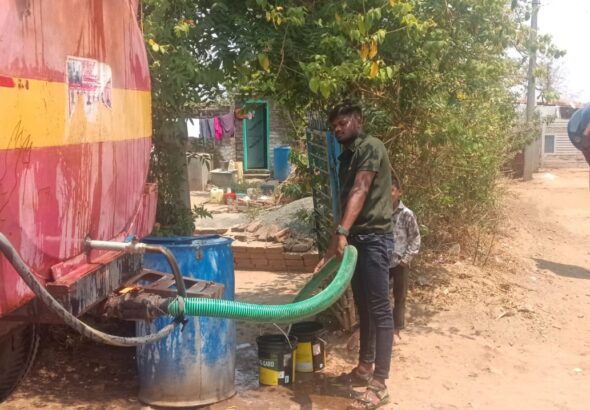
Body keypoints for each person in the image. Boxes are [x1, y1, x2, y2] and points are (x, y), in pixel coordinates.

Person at [315, 101, 394, 409]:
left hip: (374, 238)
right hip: (357, 239)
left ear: (359, 121)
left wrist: (342, 232)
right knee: (364, 308)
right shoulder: (347, 156)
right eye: (334, 125)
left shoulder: (371, 146)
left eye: (343, 122)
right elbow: (348, 199)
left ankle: (380, 384)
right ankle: (364, 369)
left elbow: (361, 189)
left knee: (380, 309)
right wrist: (334, 243)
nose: (337, 128)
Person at [389, 177, 421, 340]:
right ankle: (384, 327)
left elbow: (415, 238)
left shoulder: (406, 214)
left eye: (392, 190)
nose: (389, 194)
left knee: (400, 296)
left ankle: (397, 328)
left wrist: (406, 259)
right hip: (383, 261)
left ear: (399, 192)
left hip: (400, 262)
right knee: (381, 295)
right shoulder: (381, 214)